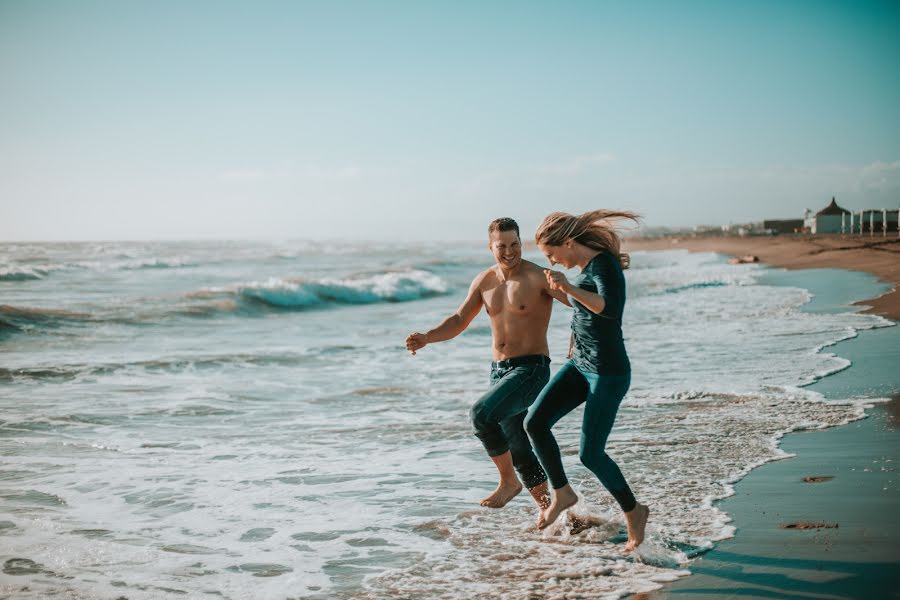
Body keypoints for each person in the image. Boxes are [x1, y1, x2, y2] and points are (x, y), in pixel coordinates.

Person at [405, 218, 570, 511]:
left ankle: (509, 482)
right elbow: (459, 320)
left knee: (481, 414)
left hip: (531, 369)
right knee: (516, 442)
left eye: (515, 244)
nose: (510, 251)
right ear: (490, 247)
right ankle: (554, 512)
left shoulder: (538, 276)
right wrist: (428, 337)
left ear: (521, 242)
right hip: (499, 372)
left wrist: (578, 338)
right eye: (502, 246)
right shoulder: (484, 281)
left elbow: (582, 302)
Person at [525, 209, 650, 552]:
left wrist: (566, 288)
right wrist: (561, 297)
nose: (552, 260)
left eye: (551, 254)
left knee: (590, 454)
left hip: (607, 373)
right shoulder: (583, 271)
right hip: (580, 364)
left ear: (568, 242)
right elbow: (583, 313)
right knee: (534, 422)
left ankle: (634, 512)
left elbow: (608, 308)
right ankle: (562, 492)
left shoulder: (605, 266)